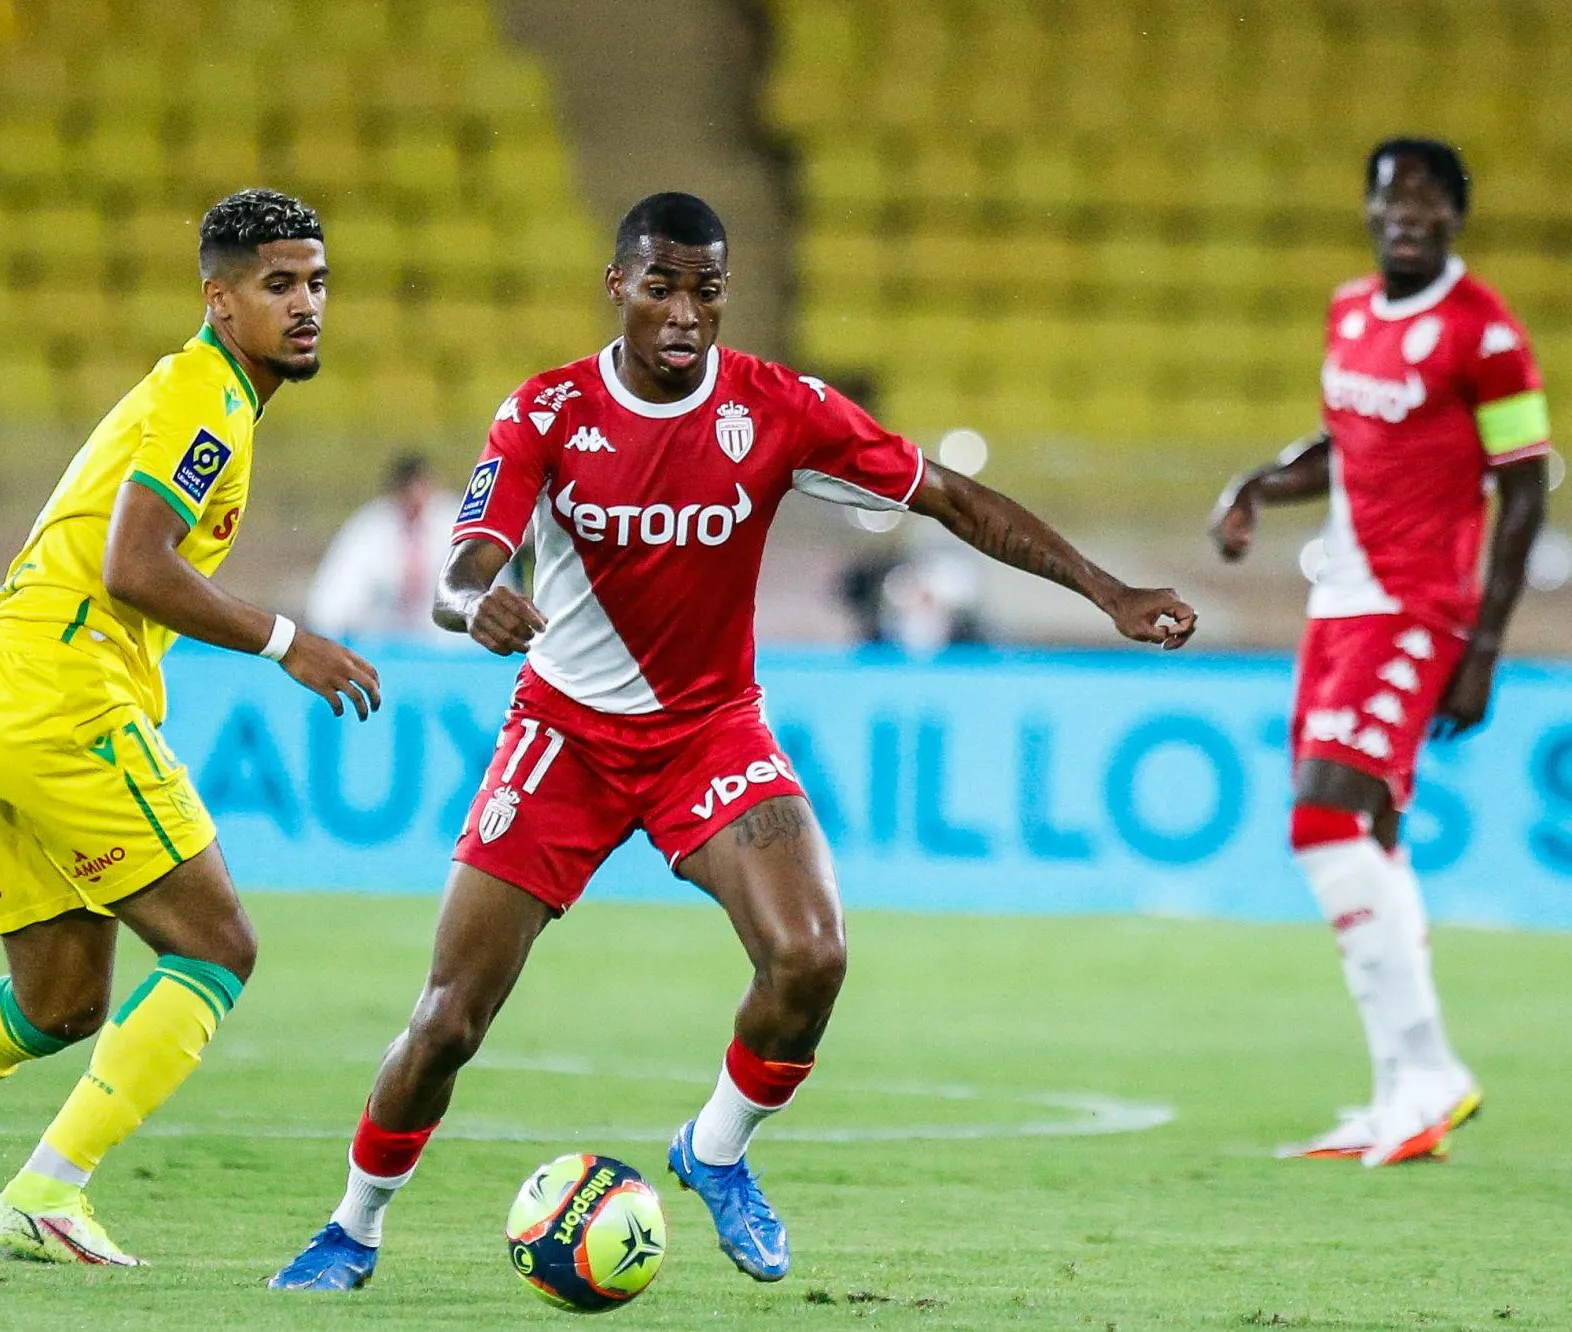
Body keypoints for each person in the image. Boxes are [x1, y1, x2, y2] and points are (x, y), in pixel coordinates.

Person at [270, 192, 1197, 1292]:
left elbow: (949, 497)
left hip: (708, 734)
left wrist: (1107, 592)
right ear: (617, 286)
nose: (682, 314)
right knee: (449, 1020)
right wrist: (477, 605)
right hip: (563, 737)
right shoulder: (548, 412)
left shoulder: (775, 408)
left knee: (812, 955)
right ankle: (353, 1227)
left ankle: (713, 1151)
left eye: (704, 291)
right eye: (659, 287)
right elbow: (464, 567)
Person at [0, 189, 382, 1265]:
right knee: (217, 947)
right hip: (62, 687)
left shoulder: (206, 395)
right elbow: (133, 566)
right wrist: (289, 641)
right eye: (278, 284)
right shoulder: (204, 396)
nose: (305, 305)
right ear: (220, 299)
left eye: (317, 282)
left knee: (56, 1003)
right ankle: (48, 1192)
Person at [1209, 139, 1549, 1167]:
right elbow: (1341, 446)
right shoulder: (1349, 310)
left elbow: (1525, 489)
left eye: (1428, 198)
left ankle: (1430, 1068)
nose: (1406, 212)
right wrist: (1257, 487)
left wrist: (1484, 648)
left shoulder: (1486, 335)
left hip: (1417, 604)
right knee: (1374, 837)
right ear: (1366, 208)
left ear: (1456, 215)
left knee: (1321, 822)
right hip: (1340, 602)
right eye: (1390, 195)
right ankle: (1402, 1090)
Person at [305, 452, 462, 642]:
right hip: (381, 640)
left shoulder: (455, 521)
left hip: (449, 643)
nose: (416, 500)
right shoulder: (370, 528)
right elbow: (333, 597)